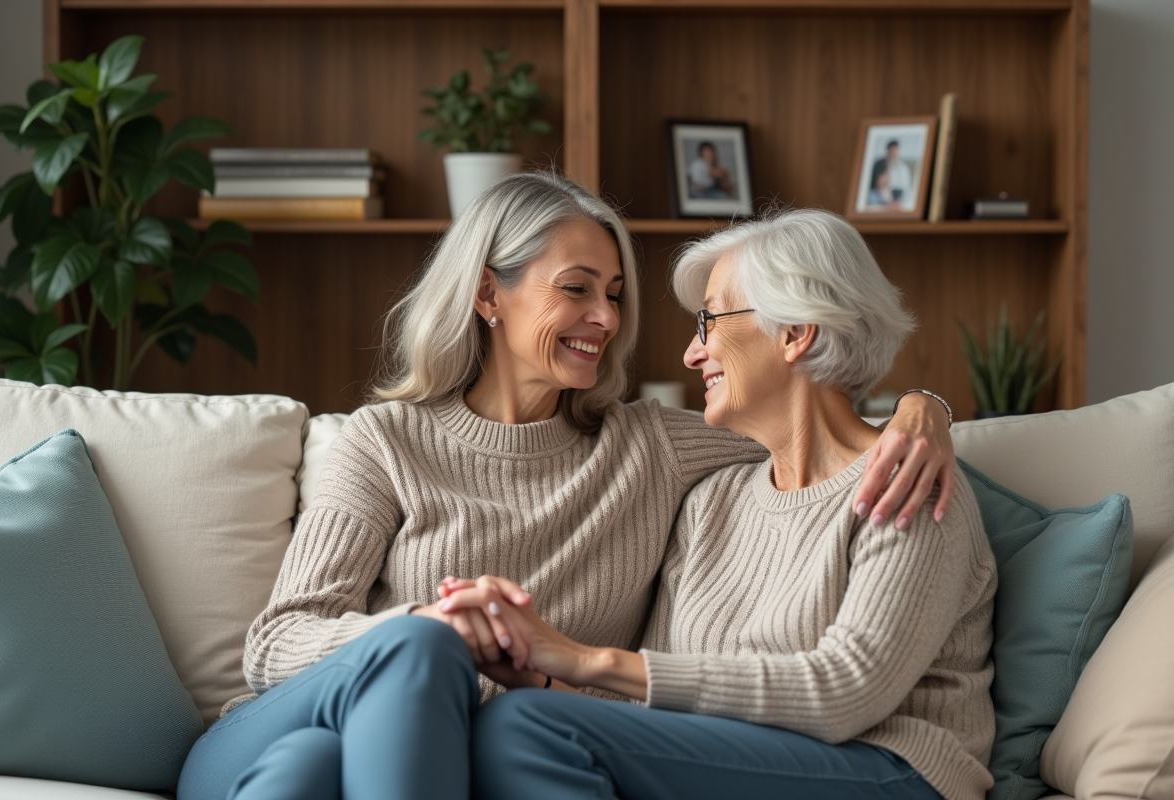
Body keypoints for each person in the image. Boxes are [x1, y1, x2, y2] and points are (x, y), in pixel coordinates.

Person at [176, 174, 957, 800]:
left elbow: (811, 424)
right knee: (411, 655)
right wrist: (427, 624)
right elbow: (275, 644)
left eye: (614, 293)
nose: (607, 318)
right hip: (279, 724)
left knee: (311, 773)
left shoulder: (653, 450)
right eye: (577, 289)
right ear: (489, 295)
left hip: (407, 761)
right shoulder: (382, 441)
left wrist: (927, 410)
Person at [460, 209, 996, 800]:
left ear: (795, 331)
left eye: (708, 321)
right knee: (508, 722)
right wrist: (536, 675)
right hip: (738, 767)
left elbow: (846, 691)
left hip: (890, 770)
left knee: (520, 727)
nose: (692, 354)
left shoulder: (908, 481)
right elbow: (650, 716)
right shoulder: (711, 504)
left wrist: (580, 659)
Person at [870, 139, 913, 208]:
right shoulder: (879, 164)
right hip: (881, 198)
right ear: (887, 151)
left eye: (895, 151)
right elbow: (879, 185)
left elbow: (906, 189)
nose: (893, 153)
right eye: (891, 151)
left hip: (899, 199)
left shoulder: (903, 168)